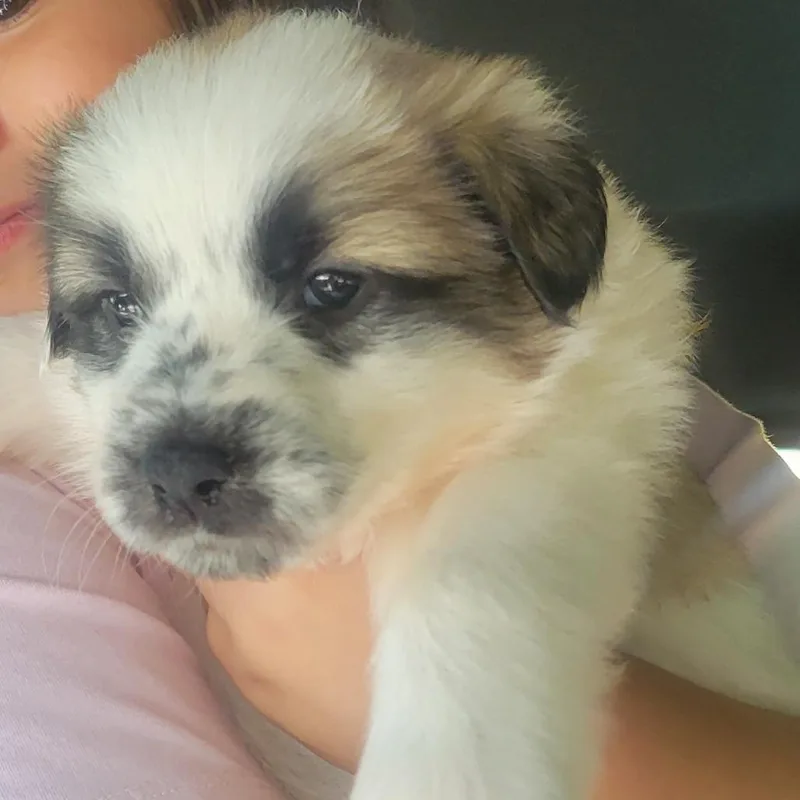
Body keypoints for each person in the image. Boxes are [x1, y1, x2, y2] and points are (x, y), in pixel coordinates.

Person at [1, 1, 799, 799]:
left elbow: (579, 425)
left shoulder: (638, 417)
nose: (180, 438)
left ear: (525, 253)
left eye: (331, 288)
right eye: (120, 308)